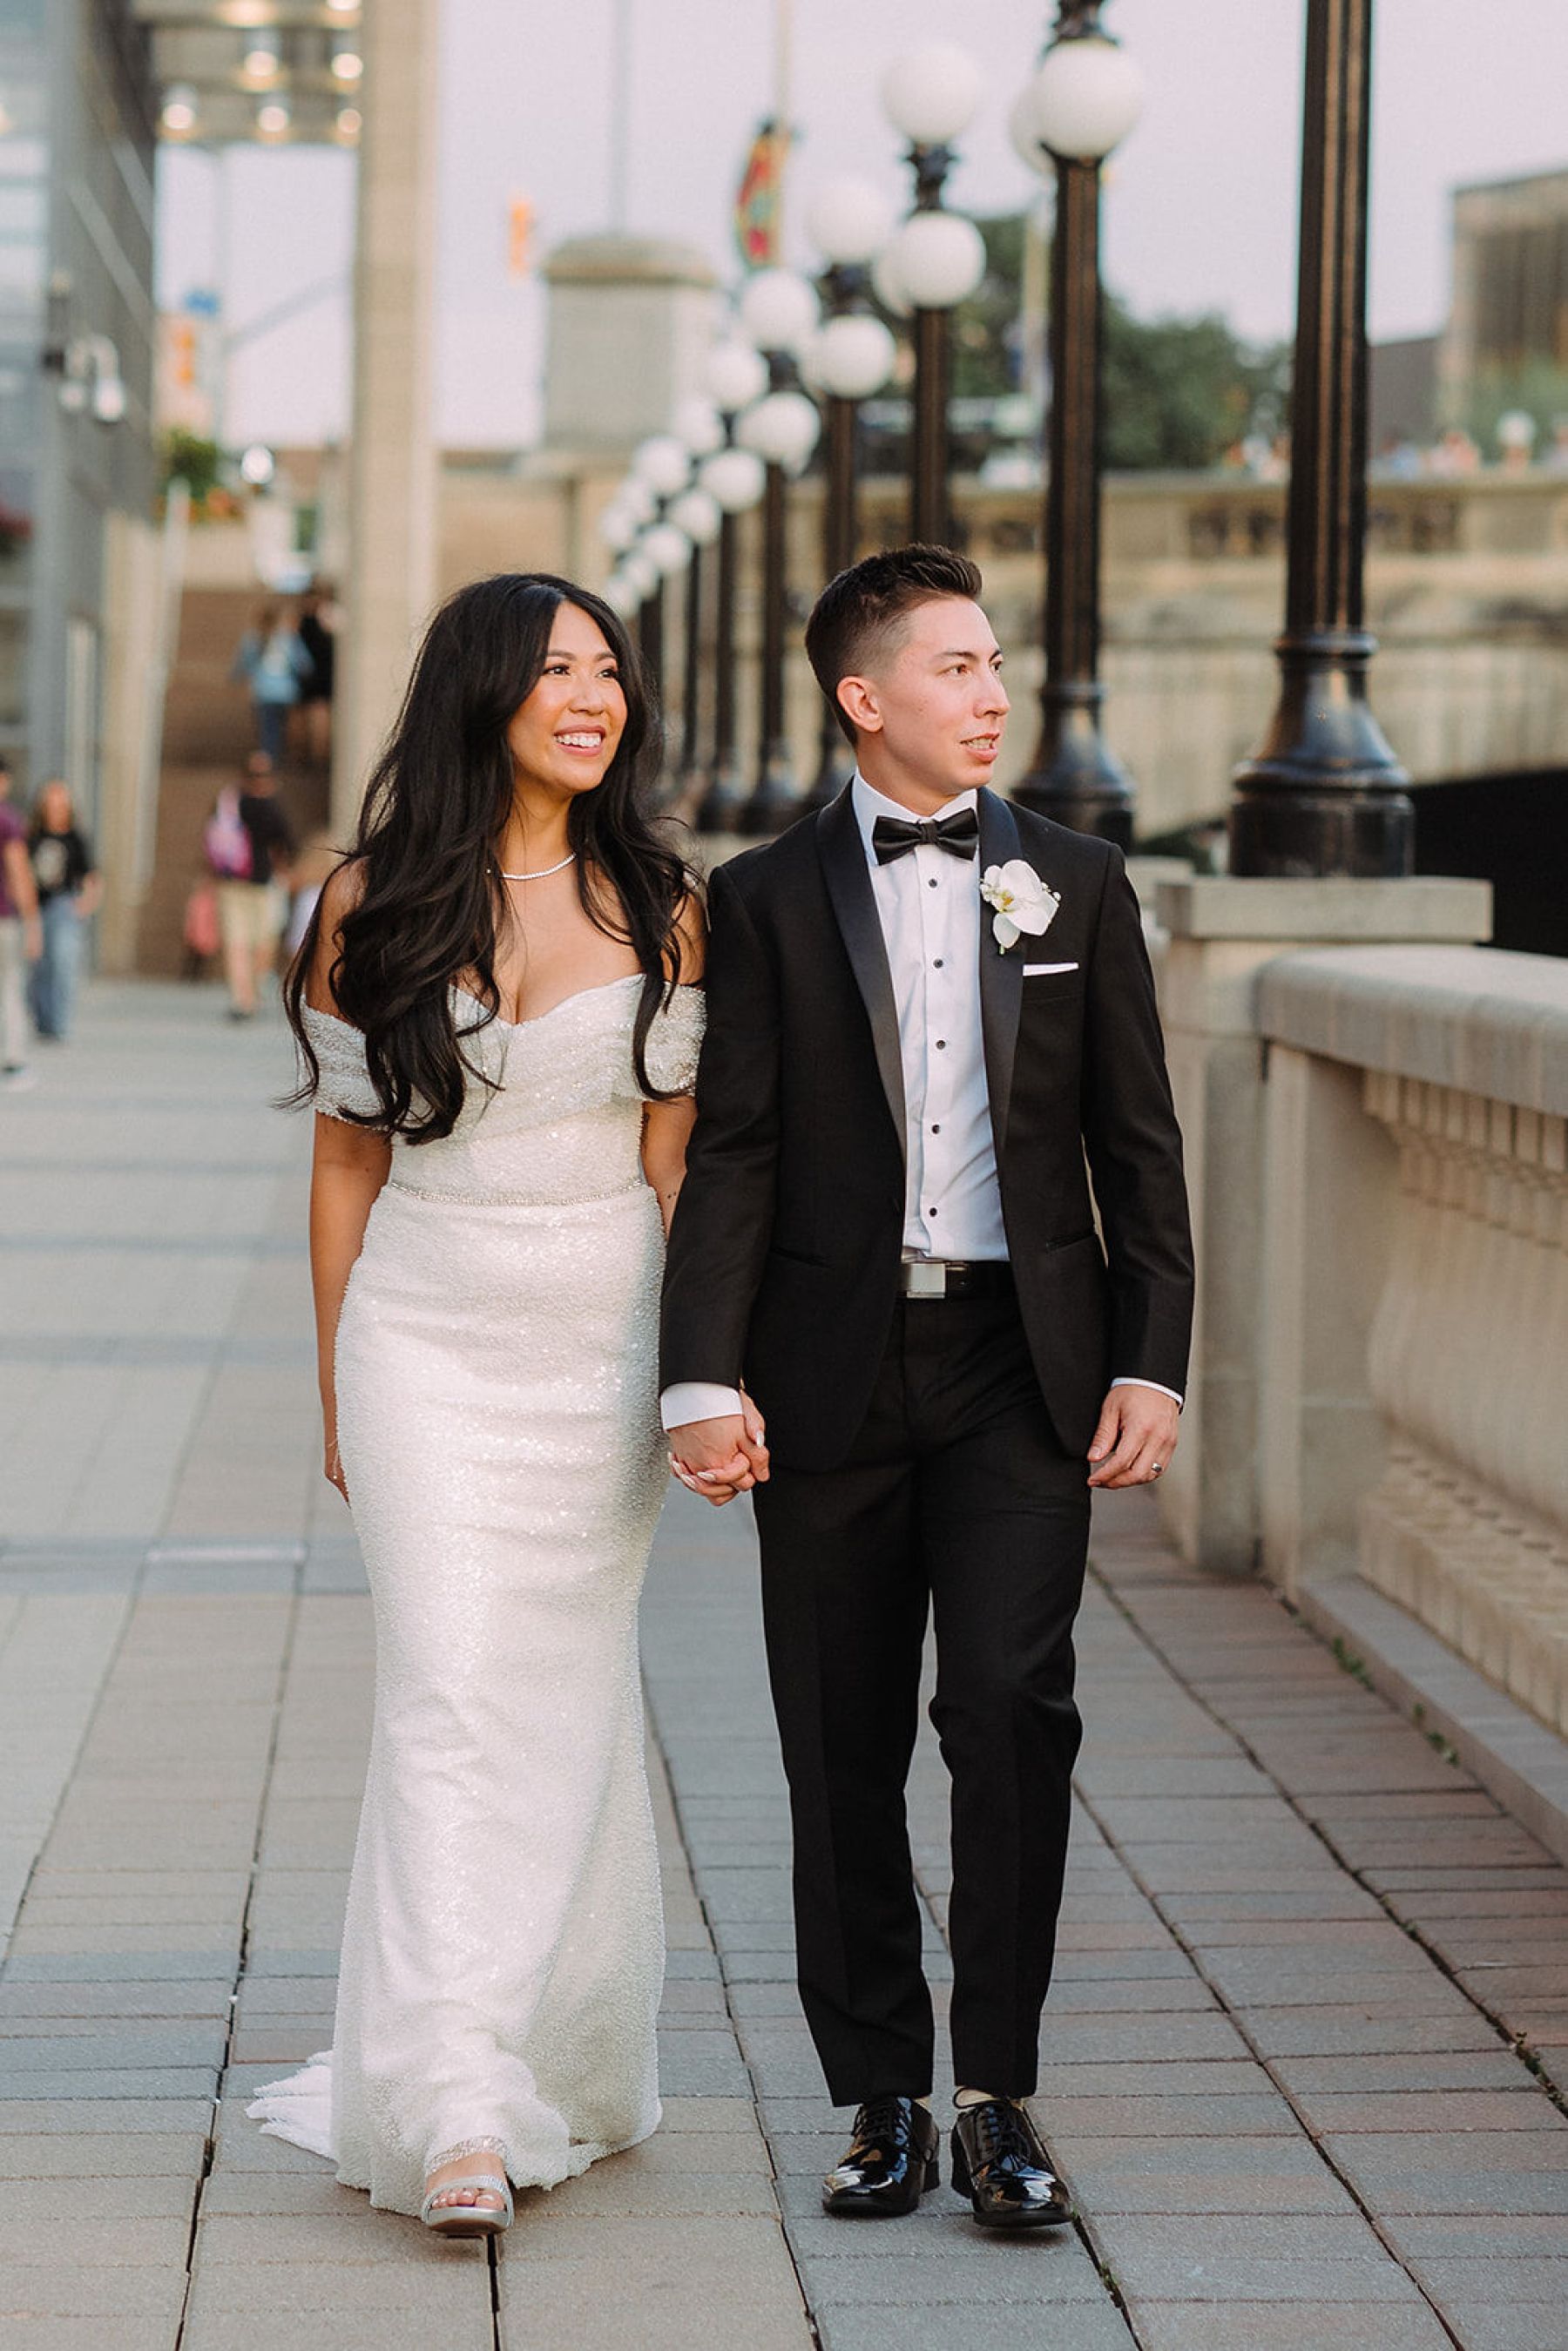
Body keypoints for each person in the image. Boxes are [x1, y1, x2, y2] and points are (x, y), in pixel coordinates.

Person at [661, 546, 1194, 2234]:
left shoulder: (1079, 881)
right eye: (956, 666)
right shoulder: (758, 894)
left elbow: (1138, 1147)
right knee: (840, 1741)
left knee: (1011, 1711)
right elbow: (732, 1151)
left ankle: (999, 2095)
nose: (991, 694)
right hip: (826, 1370)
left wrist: (1149, 1353)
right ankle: (878, 2093)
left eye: (995, 665)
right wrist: (698, 1371)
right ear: (862, 694)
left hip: (1016, 1367)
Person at [247, 573, 713, 2237]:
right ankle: (450, 2089)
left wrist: (695, 1379)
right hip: (423, 1333)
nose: (593, 696)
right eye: (556, 671)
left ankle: (549, 2041)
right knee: (447, 1688)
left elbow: (676, 1175)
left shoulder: (663, 900)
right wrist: (333, 1376)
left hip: (597, 1341)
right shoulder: (367, 898)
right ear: (481, 692)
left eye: (610, 671)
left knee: (562, 1701)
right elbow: (345, 1158)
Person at [206, 751, 295, 1020]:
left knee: (236, 942)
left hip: (231, 882)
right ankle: (252, 993)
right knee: (263, 939)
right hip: (261, 883)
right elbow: (286, 845)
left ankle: (241, 998)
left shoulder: (228, 803)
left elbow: (211, 840)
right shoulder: (271, 807)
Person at [27, 780, 101, 1041]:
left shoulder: (75, 838)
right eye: (51, 802)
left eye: (61, 802)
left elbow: (92, 877)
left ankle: (59, 1023)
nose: (56, 808)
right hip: (35, 906)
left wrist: (85, 906)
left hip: (63, 906)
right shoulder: (33, 837)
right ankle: (42, 1021)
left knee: (62, 963)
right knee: (38, 966)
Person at [0, 755, 41, 1090]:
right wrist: (33, 922)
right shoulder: (7, 820)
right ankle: (13, 1060)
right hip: (3, 919)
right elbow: (19, 873)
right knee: (10, 988)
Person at [232, 600, 313, 765]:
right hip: (286, 691)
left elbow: (244, 664)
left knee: (268, 728)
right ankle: (284, 757)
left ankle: (269, 758)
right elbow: (304, 664)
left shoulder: (252, 638)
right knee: (284, 726)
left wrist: (235, 678)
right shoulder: (288, 638)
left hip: (262, 691)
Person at [294, 585, 338, 768]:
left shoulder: (302, 623)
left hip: (313, 674)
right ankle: (314, 753)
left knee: (315, 715)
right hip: (315, 674)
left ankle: (314, 753)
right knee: (314, 715)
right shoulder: (319, 622)